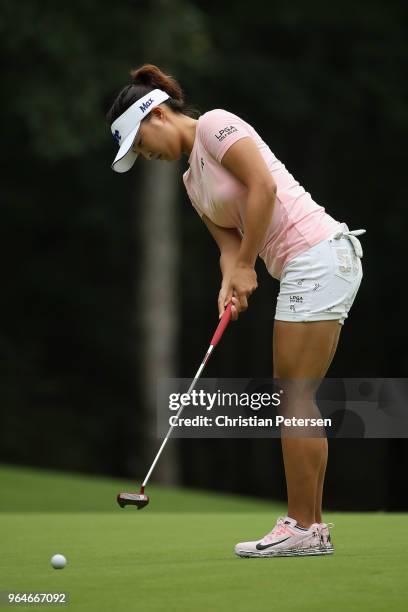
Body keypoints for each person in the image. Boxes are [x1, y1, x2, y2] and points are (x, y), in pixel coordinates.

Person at [106, 64, 365, 558]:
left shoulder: (214, 126)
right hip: (302, 265)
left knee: (293, 395)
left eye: (141, 144)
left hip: (318, 252)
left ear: (158, 114)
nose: (147, 155)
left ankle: (302, 528)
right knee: (294, 395)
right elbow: (229, 245)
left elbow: (263, 188)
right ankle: (308, 529)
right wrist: (232, 278)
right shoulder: (190, 181)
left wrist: (248, 266)